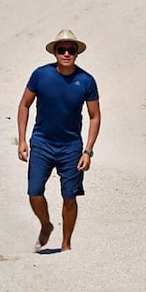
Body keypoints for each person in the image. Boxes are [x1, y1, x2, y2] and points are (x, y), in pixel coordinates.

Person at [17, 29, 101, 252]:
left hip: (71, 147)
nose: (66, 53)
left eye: (70, 50)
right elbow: (24, 104)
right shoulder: (40, 75)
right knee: (34, 192)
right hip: (42, 143)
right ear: (55, 52)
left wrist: (88, 151)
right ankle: (46, 225)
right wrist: (22, 140)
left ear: (76, 53)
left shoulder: (86, 80)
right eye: (61, 49)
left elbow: (95, 116)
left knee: (70, 197)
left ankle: (66, 245)